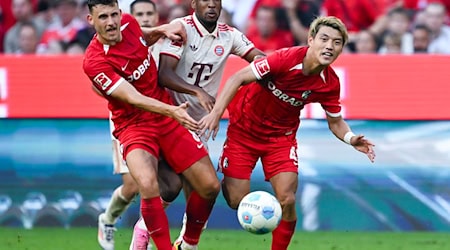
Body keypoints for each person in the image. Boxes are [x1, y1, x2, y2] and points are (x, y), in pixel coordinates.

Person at [199, 16, 376, 250]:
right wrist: (216, 114)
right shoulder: (285, 59)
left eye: (336, 42)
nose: (329, 46)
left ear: (342, 48)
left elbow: (335, 122)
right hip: (243, 132)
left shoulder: (329, 83)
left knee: (288, 199)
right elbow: (238, 77)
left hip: (280, 139)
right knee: (235, 200)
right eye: (324, 39)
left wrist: (351, 138)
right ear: (311, 40)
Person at [83, 1, 220, 250]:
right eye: (103, 17)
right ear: (91, 20)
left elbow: (143, 36)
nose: (111, 22)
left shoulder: (130, 24)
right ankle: (149, 239)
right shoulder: (94, 62)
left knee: (209, 186)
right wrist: (173, 110)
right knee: (144, 183)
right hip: (134, 126)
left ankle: (188, 243)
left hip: (166, 118)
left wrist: (163, 30)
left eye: (114, 14)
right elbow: (132, 97)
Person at [157, 0, 265, 248]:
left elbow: (258, 58)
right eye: (204, 0)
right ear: (194, 4)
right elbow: (164, 73)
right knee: (195, 187)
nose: (211, 5)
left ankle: (180, 239)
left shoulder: (229, 36)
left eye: (215, 0)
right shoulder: (180, 29)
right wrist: (197, 92)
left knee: (194, 192)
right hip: (172, 116)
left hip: (201, 124)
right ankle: (182, 242)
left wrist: (274, 66)